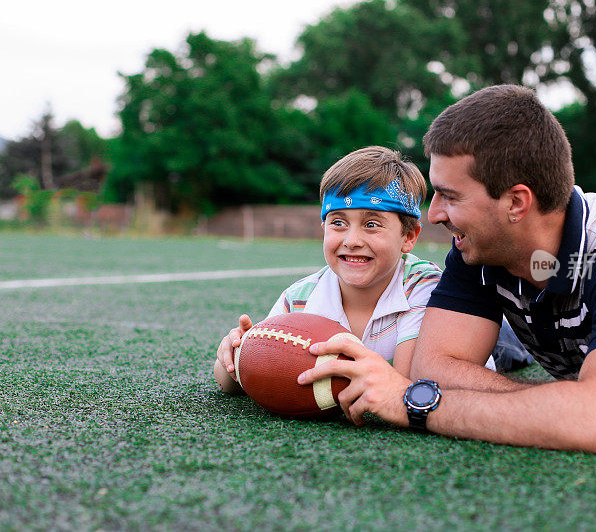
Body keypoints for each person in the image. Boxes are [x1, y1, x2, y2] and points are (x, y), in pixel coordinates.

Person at [297, 85, 596, 456]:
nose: (434, 214)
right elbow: (435, 367)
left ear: (516, 202)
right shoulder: (480, 245)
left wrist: (413, 405)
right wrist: (576, 403)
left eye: (450, 196)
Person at [214, 146, 532, 394]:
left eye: (371, 224)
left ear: (408, 237)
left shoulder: (425, 288)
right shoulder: (299, 298)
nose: (352, 240)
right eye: (338, 223)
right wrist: (237, 357)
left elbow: (406, 379)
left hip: (485, 341)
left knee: (514, 344)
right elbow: (238, 382)